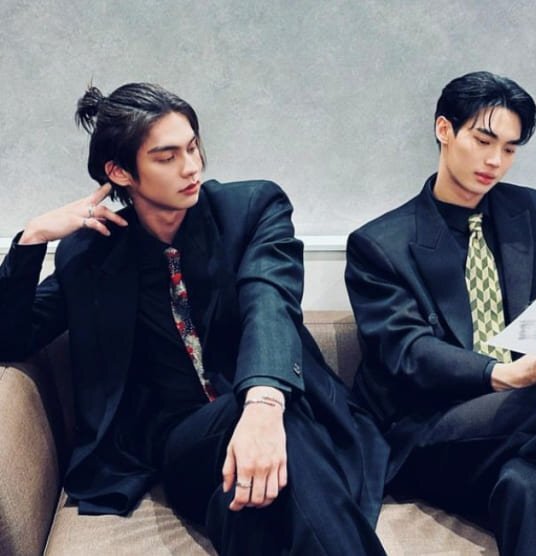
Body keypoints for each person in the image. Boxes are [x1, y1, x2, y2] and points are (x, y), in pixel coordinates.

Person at [0, 82, 389, 555]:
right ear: (119, 172)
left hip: (283, 412)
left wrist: (262, 406)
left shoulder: (250, 210)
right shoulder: (92, 255)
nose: (191, 167)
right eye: (166, 157)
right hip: (185, 441)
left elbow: (270, 300)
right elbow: (12, 338)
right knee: (276, 435)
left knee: (250, 504)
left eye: (192, 147)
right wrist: (32, 238)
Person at [345, 71, 536, 555]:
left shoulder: (535, 211)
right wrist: (506, 375)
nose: (494, 161)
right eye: (483, 141)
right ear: (445, 129)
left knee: (529, 487)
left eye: (509, 148)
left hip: (528, 431)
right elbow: (407, 352)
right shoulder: (380, 244)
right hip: (432, 431)